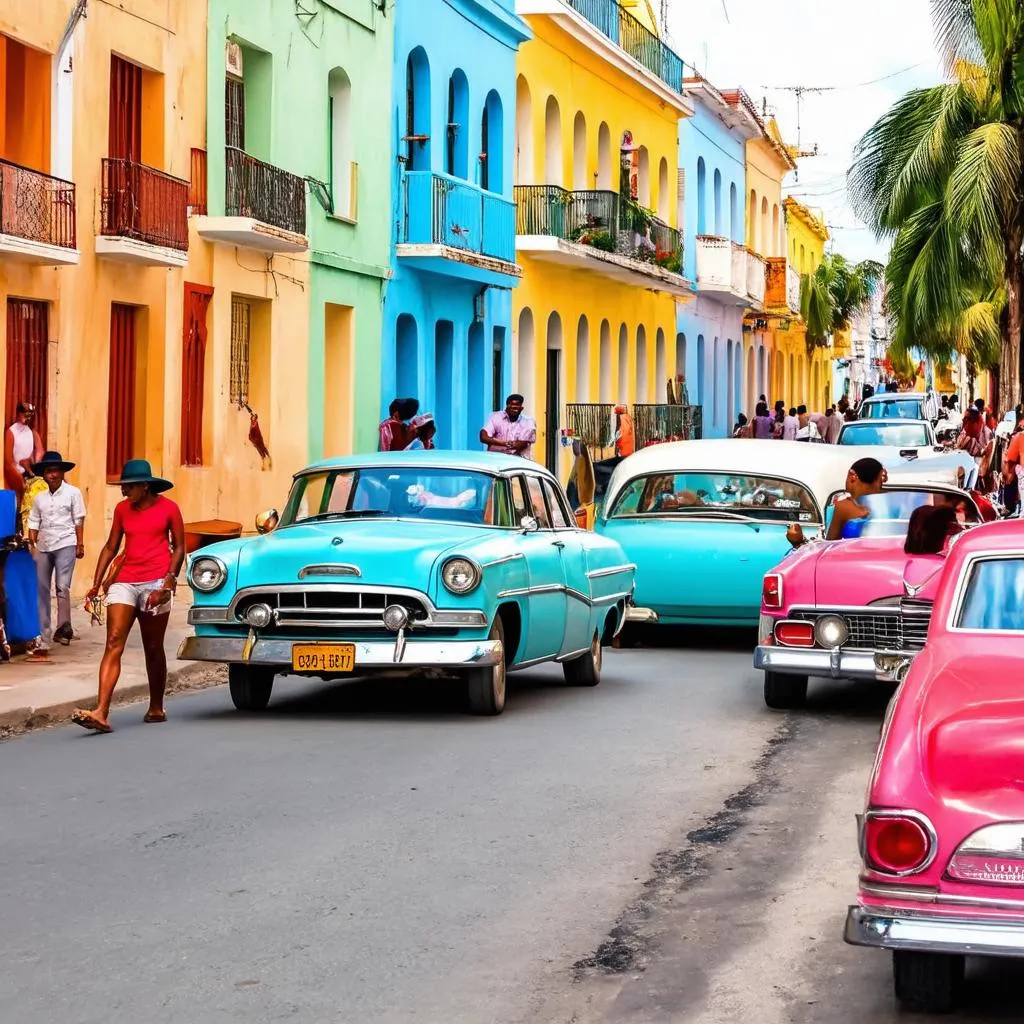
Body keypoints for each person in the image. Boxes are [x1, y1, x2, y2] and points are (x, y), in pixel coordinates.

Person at [71, 460, 185, 734]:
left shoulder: (169, 508)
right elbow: (112, 546)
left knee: (153, 645)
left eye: (129, 487)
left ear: (145, 486)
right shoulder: (123, 510)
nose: (124, 492)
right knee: (113, 641)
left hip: (157, 581)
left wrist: (168, 584)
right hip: (125, 580)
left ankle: (156, 706)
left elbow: (179, 547)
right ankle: (101, 711)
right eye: (123, 487)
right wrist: (97, 583)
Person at [26, 451, 85, 655]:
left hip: (66, 542)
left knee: (62, 586)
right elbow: (34, 521)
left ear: (62, 472)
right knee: (41, 588)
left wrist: (80, 544)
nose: (52, 475)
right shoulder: (39, 498)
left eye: (56, 471)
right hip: (44, 544)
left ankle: (64, 628)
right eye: (48, 471)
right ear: (44, 474)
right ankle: (43, 634)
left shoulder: (73, 493)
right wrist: (32, 541)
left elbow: (79, 519)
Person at [787, 457, 886, 547]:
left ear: (852, 476)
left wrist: (799, 542)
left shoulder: (845, 506)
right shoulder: (889, 505)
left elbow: (830, 545)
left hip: (853, 561)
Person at [4, 401, 44, 514]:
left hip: (31, 474)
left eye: (30, 416)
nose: (28, 419)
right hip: (17, 477)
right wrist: (20, 481)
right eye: (26, 415)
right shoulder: (11, 432)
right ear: (19, 414)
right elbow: (8, 462)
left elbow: (40, 451)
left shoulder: (32, 433)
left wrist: (36, 465)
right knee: (18, 507)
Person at [480, 394, 537, 459]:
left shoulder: (528, 421)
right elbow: (483, 437)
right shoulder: (495, 417)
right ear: (506, 407)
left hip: (520, 461)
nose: (514, 410)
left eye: (517, 408)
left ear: (521, 408)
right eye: (512, 408)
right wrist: (504, 443)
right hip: (496, 460)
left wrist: (513, 445)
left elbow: (523, 443)